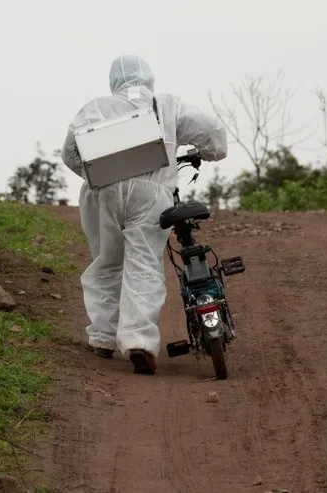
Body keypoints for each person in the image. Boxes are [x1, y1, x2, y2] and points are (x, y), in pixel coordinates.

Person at [61, 54, 228, 375]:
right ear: (150, 80)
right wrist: (206, 152)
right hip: (151, 195)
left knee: (107, 262)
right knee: (143, 263)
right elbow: (214, 135)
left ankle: (103, 337)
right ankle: (138, 341)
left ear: (113, 84)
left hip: (103, 191)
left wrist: (96, 174)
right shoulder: (167, 105)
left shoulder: (95, 107)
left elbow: (70, 153)